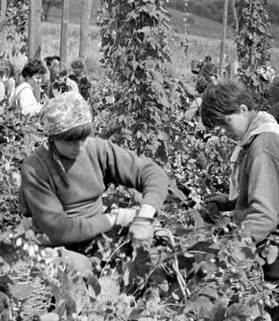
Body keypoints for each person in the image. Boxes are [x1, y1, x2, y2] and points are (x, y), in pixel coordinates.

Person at [18, 91, 169, 271]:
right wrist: (116, 218)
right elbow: (59, 230)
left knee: (158, 248)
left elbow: (152, 173)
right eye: (71, 142)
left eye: (83, 138)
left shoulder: (96, 149)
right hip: (49, 242)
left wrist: (144, 216)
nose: (80, 147)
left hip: (96, 231)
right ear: (53, 137)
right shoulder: (35, 168)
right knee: (81, 268)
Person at [199, 80, 279, 284]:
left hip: (274, 250)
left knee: (201, 267)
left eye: (225, 123)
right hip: (275, 241)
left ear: (242, 110)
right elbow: (267, 194)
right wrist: (229, 203)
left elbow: (263, 218)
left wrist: (228, 255)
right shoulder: (263, 132)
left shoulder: (264, 146)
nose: (223, 131)